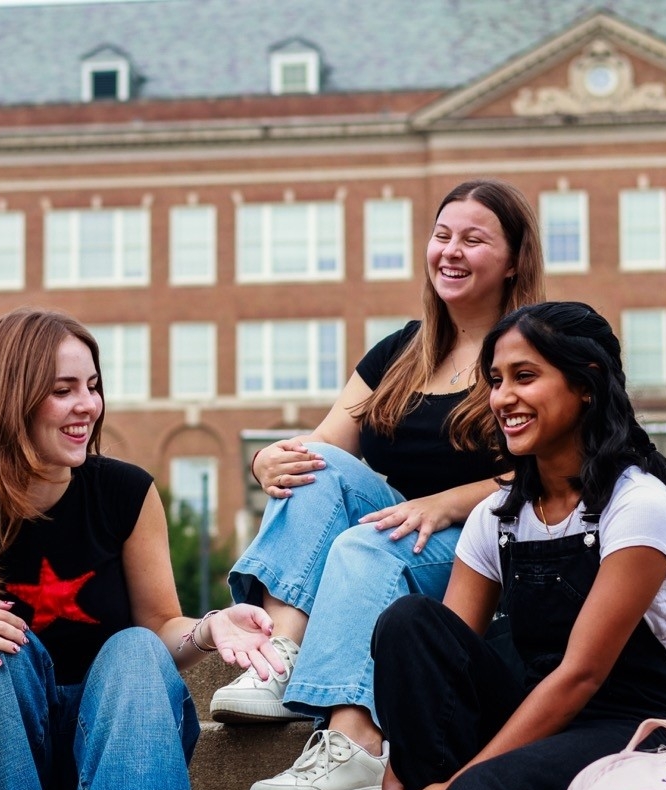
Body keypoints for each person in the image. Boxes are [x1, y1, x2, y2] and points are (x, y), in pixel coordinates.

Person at [215, 179, 546, 790]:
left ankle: (355, 742)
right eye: (442, 235)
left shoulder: (533, 346)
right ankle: (280, 654)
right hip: (403, 533)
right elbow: (321, 447)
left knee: (364, 544)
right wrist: (266, 460)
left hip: (487, 549)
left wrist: (445, 504)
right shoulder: (401, 351)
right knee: (315, 468)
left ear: (514, 260)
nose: (450, 251)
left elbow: (553, 467)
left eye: (473, 240)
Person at [0, 308, 285, 790]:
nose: (88, 405)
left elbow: (157, 627)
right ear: (8, 401)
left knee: (136, 649)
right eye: (63, 390)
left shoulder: (125, 493)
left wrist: (208, 628)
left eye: (92, 386)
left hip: (110, 736)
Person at [370, 301, 666, 790]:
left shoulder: (637, 505)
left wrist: (463, 781)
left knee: (478, 787)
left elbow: (581, 675)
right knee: (411, 622)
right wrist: (397, 777)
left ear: (585, 384)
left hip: (634, 725)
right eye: (496, 381)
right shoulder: (497, 515)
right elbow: (444, 665)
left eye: (524, 376)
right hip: (532, 711)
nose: (503, 398)